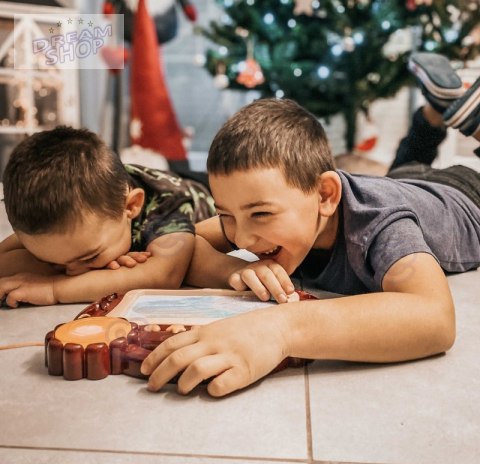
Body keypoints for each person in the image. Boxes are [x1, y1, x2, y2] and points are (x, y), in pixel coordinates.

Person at [141, 53, 480, 398]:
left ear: (325, 196)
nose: (240, 237)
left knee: (406, 177)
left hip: (467, 194)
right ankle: (433, 115)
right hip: (400, 183)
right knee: (403, 169)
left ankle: (459, 121)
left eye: (260, 215)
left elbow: (434, 318)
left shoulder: (379, 226)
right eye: (227, 215)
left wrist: (279, 330)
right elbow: (177, 239)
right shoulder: (249, 218)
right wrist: (232, 270)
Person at [0, 127, 215, 306]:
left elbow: (164, 275)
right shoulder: (73, 226)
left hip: (205, 189)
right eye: (53, 264)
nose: (73, 273)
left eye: (89, 258)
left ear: (131, 207)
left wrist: (54, 288)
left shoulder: (165, 204)